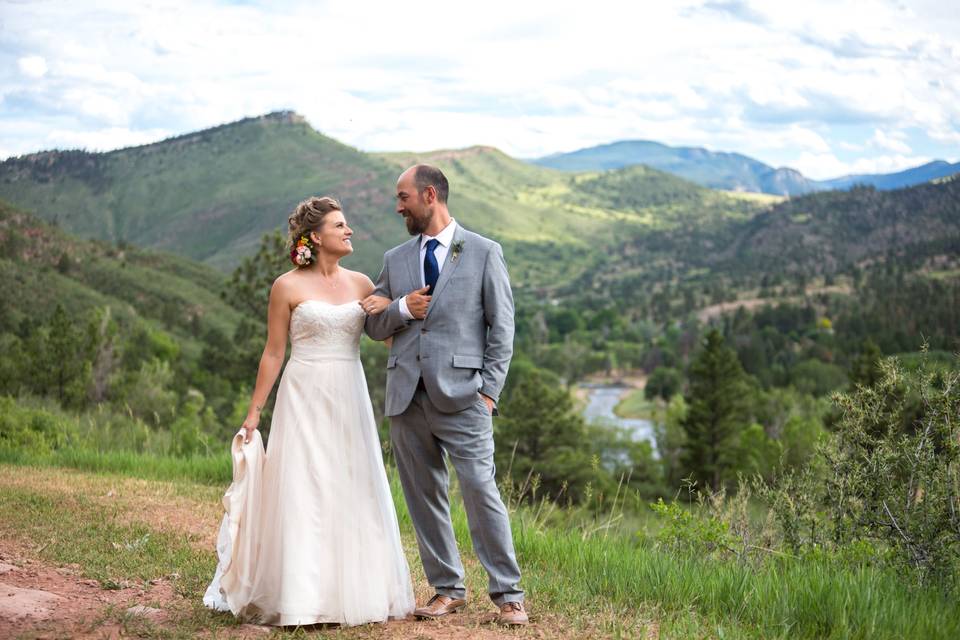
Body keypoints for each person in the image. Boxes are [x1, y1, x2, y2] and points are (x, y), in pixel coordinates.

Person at [203, 196, 415, 626]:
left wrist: (403, 313)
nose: (348, 230)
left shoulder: (361, 284)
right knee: (304, 486)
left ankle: (351, 593)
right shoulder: (287, 286)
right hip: (303, 394)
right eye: (340, 225)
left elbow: (389, 337)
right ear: (315, 237)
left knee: (349, 481)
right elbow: (273, 353)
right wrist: (253, 413)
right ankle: (302, 595)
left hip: (349, 393)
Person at [361, 165, 528, 625]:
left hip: (465, 397)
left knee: (480, 489)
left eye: (403, 198)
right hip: (406, 397)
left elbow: (503, 328)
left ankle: (508, 593)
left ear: (429, 195)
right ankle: (447, 589)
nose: (398, 207)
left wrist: (489, 393)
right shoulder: (395, 259)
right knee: (422, 495)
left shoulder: (483, 252)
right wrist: (401, 307)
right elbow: (373, 322)